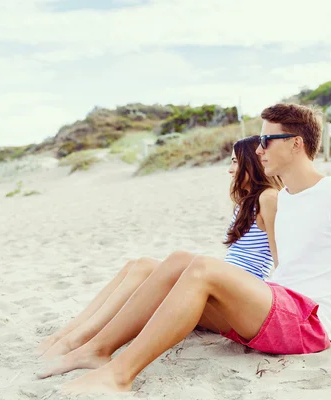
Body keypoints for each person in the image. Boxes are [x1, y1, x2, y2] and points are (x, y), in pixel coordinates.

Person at [48, 103, 331, 395]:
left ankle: (121, 374)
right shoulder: (285, 198)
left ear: (295, 143)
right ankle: (99, 349)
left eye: (265, 140)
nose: (258, 149)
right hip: (276, 308)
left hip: (310, 324)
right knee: (178, 262)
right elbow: (281, 266)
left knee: (202, 267)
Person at [35, 135, 283, 361]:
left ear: (253, 163)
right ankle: (70, 333)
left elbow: (279, 257)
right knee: (139, 265)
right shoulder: (245, 202)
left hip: (240, 299)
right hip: (221, 291)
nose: (230, 170)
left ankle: (80, 340)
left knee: (151, 267)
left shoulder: (268, 198)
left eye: (236, 163)